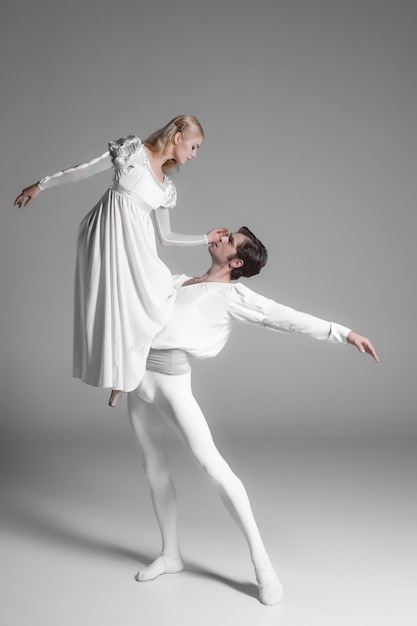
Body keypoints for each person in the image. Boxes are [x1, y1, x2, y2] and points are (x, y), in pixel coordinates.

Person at [127, 227, 379, 606]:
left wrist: (341, 332)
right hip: (137, 380)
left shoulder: (233, 295)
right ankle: (171, 554)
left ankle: (263, 566)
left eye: (229, 240)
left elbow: (285, 317)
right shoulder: (180, 281)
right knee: (154, 466)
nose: (221, 236)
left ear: (236, 262)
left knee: (214, 468)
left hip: (171, 381)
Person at [14, 115, 227, 406]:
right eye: (194, 146)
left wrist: (204, 238)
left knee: (150, 294)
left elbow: (165, 236)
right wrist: (41, 185)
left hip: (135, 244)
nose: (194, 154)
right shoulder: (134, 152)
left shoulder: (166, 188)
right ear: (178, 137)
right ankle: (120, 374)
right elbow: (86, 169)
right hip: (105, 233)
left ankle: (126, 374)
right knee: (115, 301)